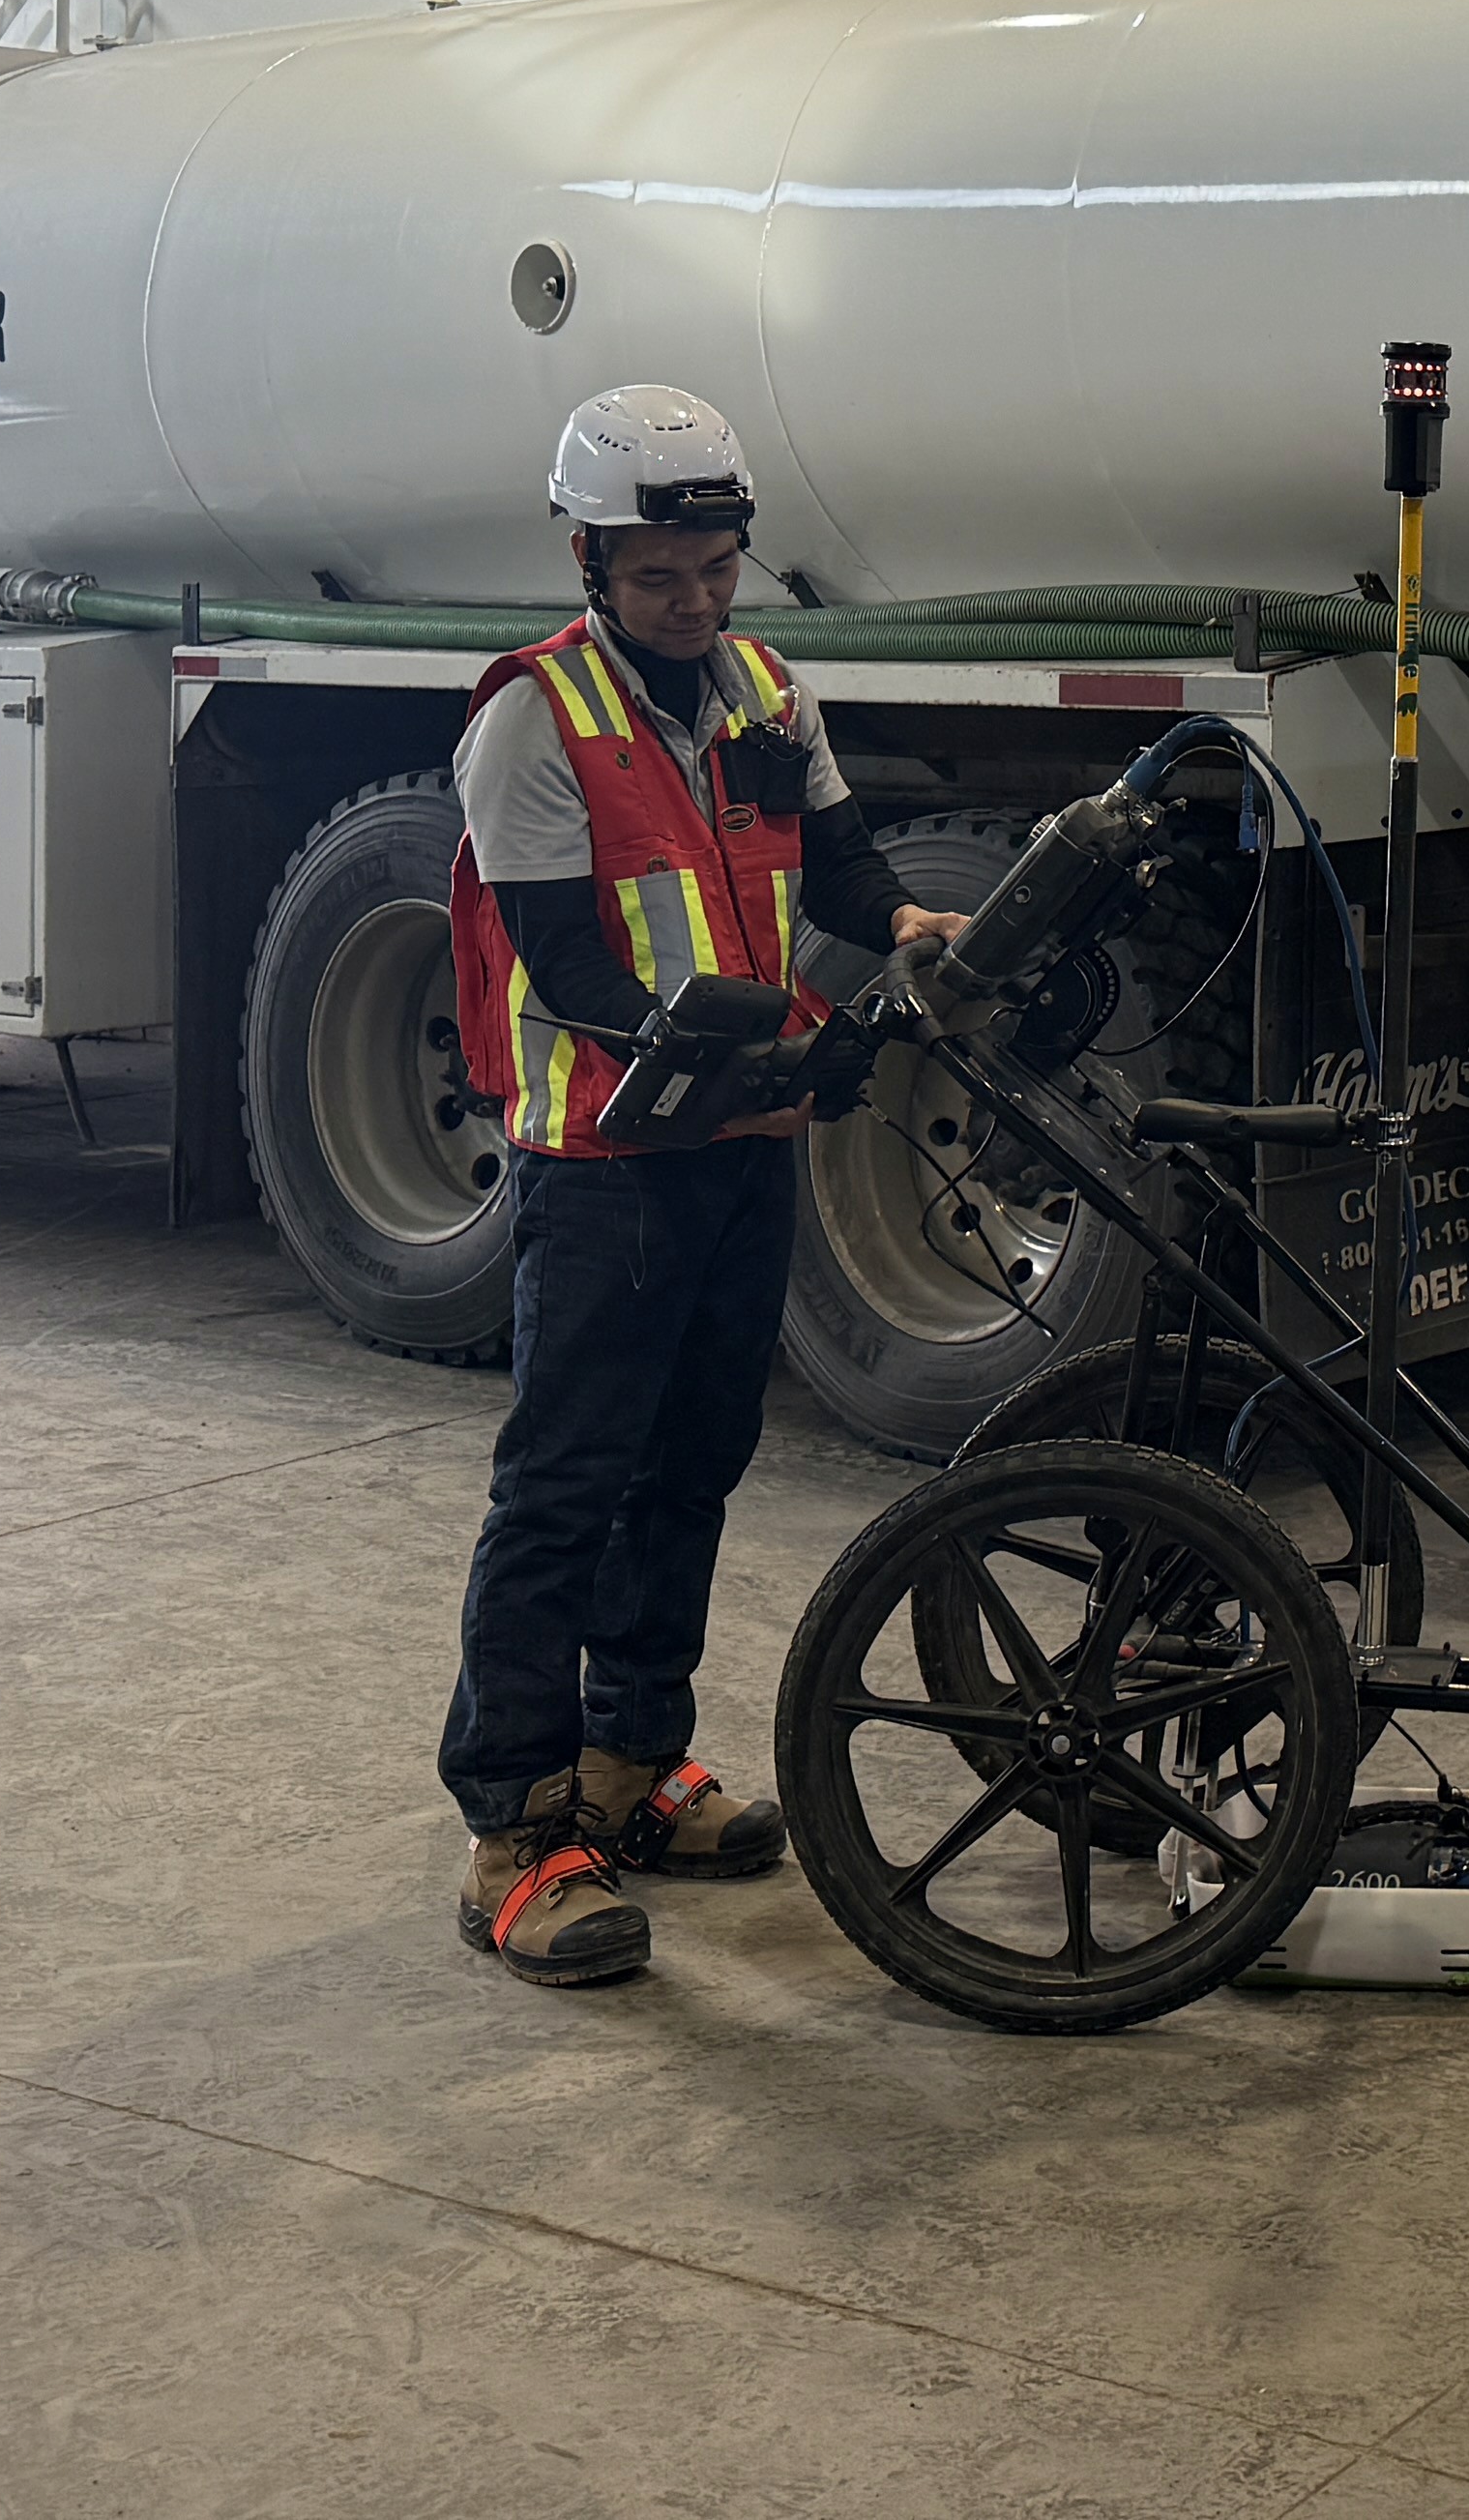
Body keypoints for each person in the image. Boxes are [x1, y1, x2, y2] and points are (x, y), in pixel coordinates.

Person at [436, 382, 961, 1989]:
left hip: (741, 1146)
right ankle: (518, 1834)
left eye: (717, 565)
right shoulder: (534, 720)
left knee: (693, 1467)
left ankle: (630, 1766)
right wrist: (733, 1053)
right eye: (663, 574)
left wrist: (920, 935)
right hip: (607, 1161)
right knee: (563, 1488)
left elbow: (849, 871)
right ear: (592, 559)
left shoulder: (766, 691)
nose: (697, 598)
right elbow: (574, 965)